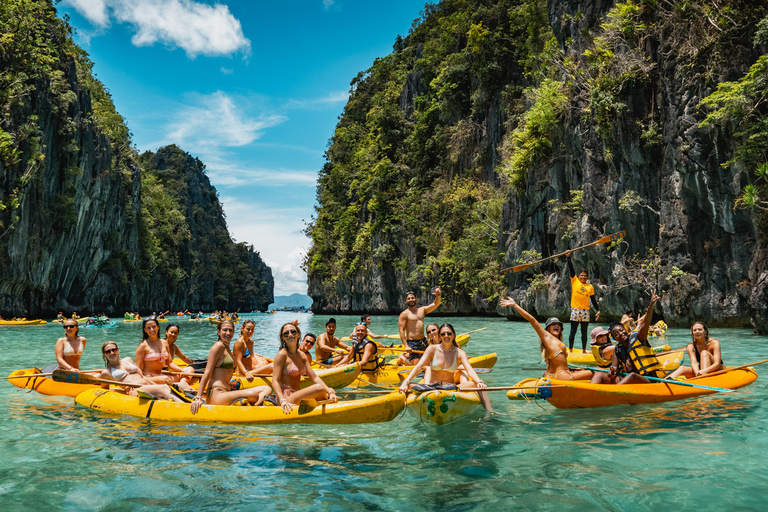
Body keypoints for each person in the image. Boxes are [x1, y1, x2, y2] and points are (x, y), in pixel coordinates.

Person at [399, 323, 492, 411]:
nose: (446, 336)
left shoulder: (460, 353)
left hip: (450, 388)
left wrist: (479, 381)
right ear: (440, 336)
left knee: (480, 384)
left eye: (449, 333)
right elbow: (418, 366)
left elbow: (470, 370)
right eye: (443, 334)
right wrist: (406, 381)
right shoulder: (432, 349)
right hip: (430, 387)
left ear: (454, 335)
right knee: (405, 386)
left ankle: (489, 411)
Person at [500, 297, 593, 381]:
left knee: (586, 370)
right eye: (553, 324)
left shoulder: (555, 342)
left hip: (554, 374)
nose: (556, 325)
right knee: (598, 373)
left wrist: (573, 369)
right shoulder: (546, 337)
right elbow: (531, 319)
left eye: (558, 324)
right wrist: (515, 305)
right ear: (548, 329)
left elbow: (558, 364)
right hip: (562, 376)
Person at [190, 320, 272, 413]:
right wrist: (198, 397)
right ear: (218, 331)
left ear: (233, 332)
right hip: (217, 395)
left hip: (227, 392)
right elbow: (207, 372)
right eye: (225, 330)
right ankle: (253, 410)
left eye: (230, 330)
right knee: (253, 394)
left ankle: (253, 409)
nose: (227, 333)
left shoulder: (227, 348)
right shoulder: (218, 346)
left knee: (267, 389)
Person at [591, 291, 667, 385]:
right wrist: (612, 372)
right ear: (615, 339)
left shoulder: (639, 338)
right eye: (616, 334)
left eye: (622, 330)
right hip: (628, 381)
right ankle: (590, 393)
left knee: (632, 376)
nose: (621, 333)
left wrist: (651, 306)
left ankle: (614, 394)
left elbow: (645, 324)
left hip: (649, 380)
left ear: (626, 330)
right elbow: (613, 368)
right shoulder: (617, 350)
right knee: (599, 374)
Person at [271, 323, 337, 414]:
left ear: (298, 334)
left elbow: (314, 377)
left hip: (297, 395)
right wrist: (282, 400)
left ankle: (323, 407)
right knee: (320, 388)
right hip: (287, 399)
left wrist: (330, 393)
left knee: (330, 390)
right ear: (282, 338)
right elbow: (274, 381)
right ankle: (324, 407)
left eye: (293, 332)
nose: (290, 334)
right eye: (286, 333)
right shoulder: (282, 354)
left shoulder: (302, 355)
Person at [99, 341, 184, 402]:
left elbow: (142, 376)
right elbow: (105, 390)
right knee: (164, 389)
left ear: (118, 351)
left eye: (114, 349)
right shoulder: (106, 372)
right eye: (108, 351)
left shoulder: (128, 360)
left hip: (146, 384)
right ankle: (184, 408)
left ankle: (194, 399)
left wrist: (153, 384)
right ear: (104, 355)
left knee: (183, 384)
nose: (111, 352)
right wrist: (123, 388)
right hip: (135, 390)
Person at [135, 316, 190, 387]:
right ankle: (179, 385)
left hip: (161, 374)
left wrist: (183, 371)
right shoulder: (142, 346)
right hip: (149, 377)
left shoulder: (164, 343)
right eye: (148, 328)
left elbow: (170, 363)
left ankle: (181, 383)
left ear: (158, 327)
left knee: (190, 369)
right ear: (145, 330)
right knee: (165, 379)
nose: (152, 329)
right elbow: (138, 368)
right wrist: (145, 379)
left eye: (154, 327)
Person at [563, 250, 600, 352]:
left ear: (587, 278)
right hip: (575, 310)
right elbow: (571, 269)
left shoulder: (590, 287)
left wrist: (598, 310)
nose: (583, 277)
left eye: (585, 276)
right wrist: (568, 257)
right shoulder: (575, 281)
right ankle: (570, 349)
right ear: (579, 277)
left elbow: (592, 299)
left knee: (584, 332)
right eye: (581, 275)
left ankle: (583, 349)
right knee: (573, 331)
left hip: (585, 311)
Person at [397, 288, 442, 364]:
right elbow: (401, 331)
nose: (411, 300)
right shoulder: (404, 314)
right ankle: (402, 358)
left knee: (432, 362)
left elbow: (435, 304)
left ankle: (407, 356)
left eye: (412, 298)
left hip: (424, 341)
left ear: (416, 299)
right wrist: (406, 346)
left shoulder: (422, 310)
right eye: (408, 299)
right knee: (416, 367)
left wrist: (438, 295)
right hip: (413, 343)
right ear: (406, 301)